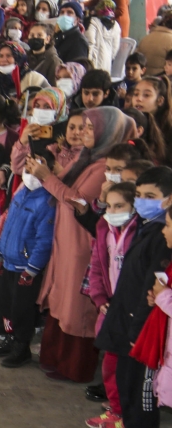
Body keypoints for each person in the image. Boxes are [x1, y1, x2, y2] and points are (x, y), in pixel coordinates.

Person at [28, 107, 134, 384]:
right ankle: (55, 358)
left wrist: (45, 176)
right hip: (66, 238)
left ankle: (74, 366)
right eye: (84, 127)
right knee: (62, 298)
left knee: (77, 305)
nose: (84, 133)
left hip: (81, 242)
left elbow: (78, 201)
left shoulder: (101, 166)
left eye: (90, 128)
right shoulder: (87, 159)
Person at [97, 167, 172, 428]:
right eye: (139, 196)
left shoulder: (160, 238)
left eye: (151, 197)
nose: (142, 202)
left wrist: (137, 328)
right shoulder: (146, 227)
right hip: (127, 320)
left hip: (144, 328)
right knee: (126, 382)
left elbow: (151, 289)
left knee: (142, 388)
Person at [0, 161, 56, 368]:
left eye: (35, 170)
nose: (30, 174)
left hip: (25, 268)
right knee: (6, 304)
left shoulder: (47, 202)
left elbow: (44, 240)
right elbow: (7, 226)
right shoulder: (21, 193)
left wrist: (32, 269)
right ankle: (9, 338)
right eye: (28, 169)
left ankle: (21, 345)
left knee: (22, 310)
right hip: (8, 262)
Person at [85, 181, 139, 428]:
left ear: (134, 208)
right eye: (110, 205)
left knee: (128, 369)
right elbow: (96, 266)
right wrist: (98, 296)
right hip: (110, 308)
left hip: (132, 311)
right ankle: (116, 409)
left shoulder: (139, 234)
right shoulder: (104, 229)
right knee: (110, 364)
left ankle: (127, 416)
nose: (113, 210)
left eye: (121, 206)